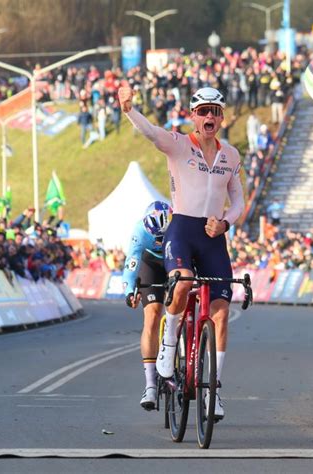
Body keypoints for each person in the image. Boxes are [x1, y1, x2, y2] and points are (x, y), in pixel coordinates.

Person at [118, 85, 245, 421]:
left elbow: (240, 200)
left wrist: (226, 223)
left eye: (214, 112)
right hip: (183, 229)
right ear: (193, 115)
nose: (208, 117)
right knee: (184, 282)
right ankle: (170, 341)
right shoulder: (176, 144)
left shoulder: (231, 155)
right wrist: (130, 109)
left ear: (221, 117)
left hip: (213, 236)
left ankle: (214, 392)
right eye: (202, 111)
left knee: (220, 312)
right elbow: (149, 131)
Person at [122, 201, 172, 411]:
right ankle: (150, 384)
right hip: (150, 264)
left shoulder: (177, 225)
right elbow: (132, 261)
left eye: (162, 237)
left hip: (173, 261)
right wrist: (129, 290)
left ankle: (176, 358)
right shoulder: (139, 231)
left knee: (179, 312)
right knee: (151, 317)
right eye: (156, 237)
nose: (159, 241)